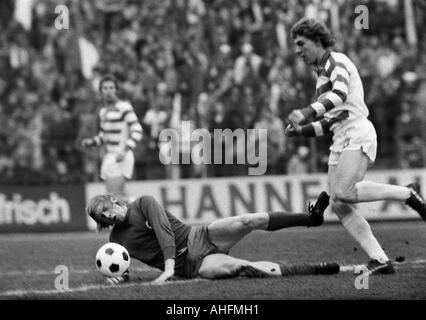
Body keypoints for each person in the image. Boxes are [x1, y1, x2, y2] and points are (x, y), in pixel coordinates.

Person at [285, 18, 426, 276]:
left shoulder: (335, 62)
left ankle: (407, 193)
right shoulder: (321, 73)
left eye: (301, 44)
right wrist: (301, 132)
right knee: (339, 203)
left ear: (317, 41)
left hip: (357, 130)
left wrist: (306, 112)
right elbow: (328, 122)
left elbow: (338, 95)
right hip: (341, 135)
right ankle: (380, 259)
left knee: (344, 192)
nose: (297, 50)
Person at [86, 191, 338, 284]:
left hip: (199, 236)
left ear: (113, 200)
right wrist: (118, 279)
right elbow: (123, 269)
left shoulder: (144, 203)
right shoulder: (115, 242)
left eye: (107, 210)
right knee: (244, 267)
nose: (109, 217)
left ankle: (311, 218)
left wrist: (167, 269)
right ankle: (313, 269)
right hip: (192, 266)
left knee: (249, 220)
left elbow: (164, 233)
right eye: (103, 218)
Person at [82, 75, 143, 199]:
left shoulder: (123, 107)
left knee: (114, 197)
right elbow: (103, 136)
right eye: (105, 88)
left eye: (111, 87)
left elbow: (137, 130)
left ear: (116, 90)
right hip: (109, 156)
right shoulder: (103, 111)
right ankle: (139, 210)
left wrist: (125, 150)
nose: (108, 91)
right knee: (114, 197)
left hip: (121, 156)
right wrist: (92, 142)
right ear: (101, 91)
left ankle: (142, 210)